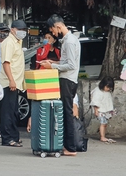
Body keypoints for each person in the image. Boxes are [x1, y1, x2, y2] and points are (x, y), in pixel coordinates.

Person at [40, 14, 81, 156]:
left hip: (67, 80)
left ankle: (70, 147)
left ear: (58, 26)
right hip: (68, 79)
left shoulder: (69, 42)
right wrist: (53, 62)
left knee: (67, 113)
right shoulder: (69, 40)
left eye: (52, 30)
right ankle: (68, 145)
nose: (53, 33)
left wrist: (52, 67)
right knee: (65, 112)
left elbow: (70, 65)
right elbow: (66, 62)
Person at [0, 19, 27, 147]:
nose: (22, 32)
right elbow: (6, 63)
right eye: (20, 30)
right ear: (13, 29)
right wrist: (11, 80)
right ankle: (7, 138)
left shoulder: (17, 41)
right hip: (9, 83)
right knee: (8, 112)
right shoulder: (8, 43)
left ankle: (14, 136)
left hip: (16, 82)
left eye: (24, 30)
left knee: (14, 111)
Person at [90, 76, 116, 144]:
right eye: (107, 87)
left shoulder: (107, 92)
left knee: (105, 124)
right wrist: (96, 110)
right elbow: (95, 101)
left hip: (106, 110)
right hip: (100, 110)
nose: (108, 89)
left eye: (110, 88)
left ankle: (103, 135)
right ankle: (102, 136)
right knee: (103, 123)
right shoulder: (98, 91)